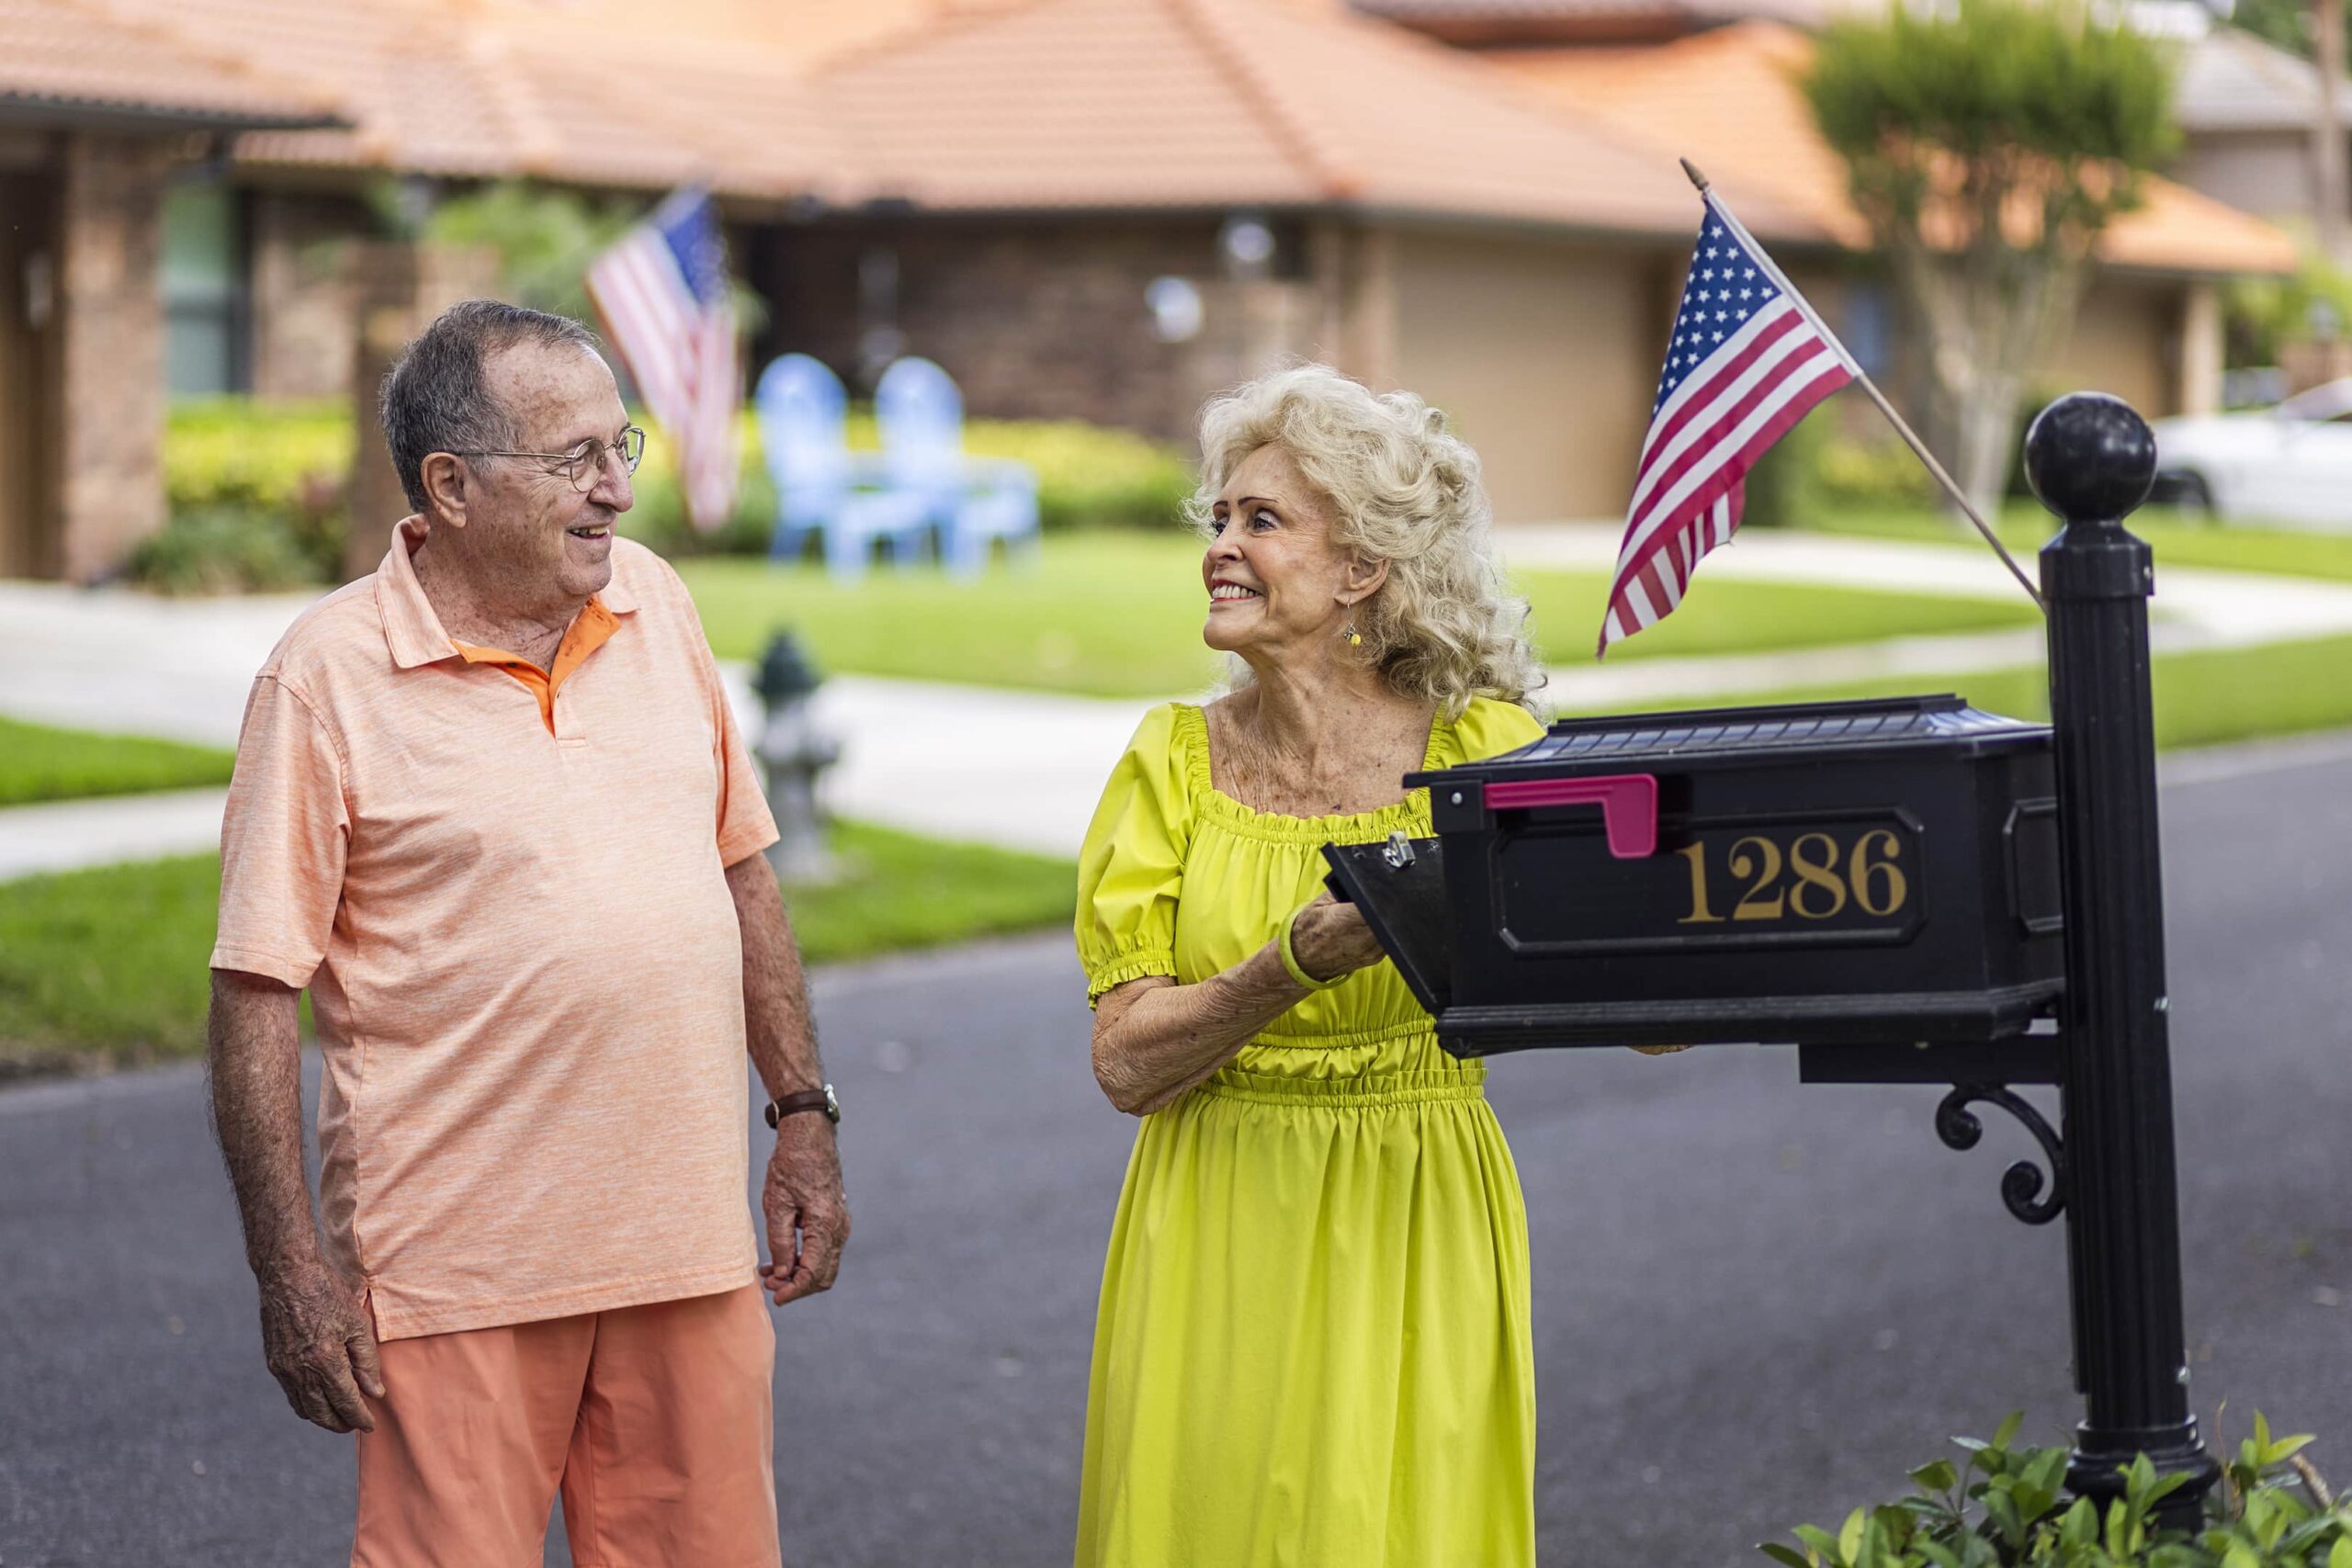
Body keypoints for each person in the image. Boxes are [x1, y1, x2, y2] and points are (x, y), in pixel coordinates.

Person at [205, 299, 847, 1567]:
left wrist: (806, 1117)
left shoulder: (656, 605)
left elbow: (743, 876)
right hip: (457, 1273)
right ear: (449, 486)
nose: (614, 491)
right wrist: (291, 1272)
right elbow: (253, 991)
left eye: (624, 449)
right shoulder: (325, 675)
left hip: (688, 1247)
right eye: (574, 461)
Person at [1072, 364, 1550, 1565]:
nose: (1222, 545)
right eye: (1220, 518)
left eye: (1263, 520)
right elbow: (1127, 1067)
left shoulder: (1486, 754)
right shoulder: (1168, 763)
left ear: (1361, 571)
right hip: (1219, 1224)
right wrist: (1292, 962)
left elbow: (1622, 995)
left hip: (1420, 1211)